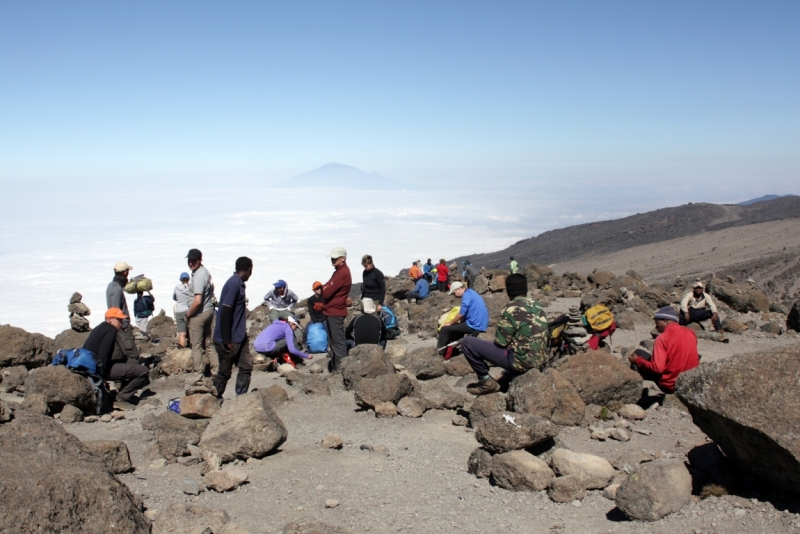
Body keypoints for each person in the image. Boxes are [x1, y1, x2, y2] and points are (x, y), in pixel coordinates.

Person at [461, 274, 549, 395]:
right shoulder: (538, 306)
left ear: (508, 291)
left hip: (520, 362)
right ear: (526, 289)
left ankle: (485, 381)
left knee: (467, 343)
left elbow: (500, 342)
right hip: (540, 360)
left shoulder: (510, 308)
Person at [83, 307, 150, 410]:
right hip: (97, 368)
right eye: (118, 319)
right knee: (143, 371)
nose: (120, 322)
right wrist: (101, 376)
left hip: (91, 365)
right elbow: (103, 354)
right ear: (109, 319)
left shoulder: (100, 327)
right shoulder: (111, 329)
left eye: (121, 320)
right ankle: (122, 397)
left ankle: (124, 392)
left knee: (134, 362)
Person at [629, 306, 700, 393]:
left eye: (657, 322)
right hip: (689, 382)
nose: (656, 326)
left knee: (638, 353)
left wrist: (638, 360)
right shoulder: (691, 332)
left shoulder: (662, 338)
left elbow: (658, 368)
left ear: (665, 321)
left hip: (670, 385)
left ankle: (635, 394)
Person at [211, 257, 254, 397]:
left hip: (239, 336)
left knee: (246, 366)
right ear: (249, 270)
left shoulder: (238, 283)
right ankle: (214, 398)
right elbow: (225, 312)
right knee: (224, 372)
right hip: (229, 339)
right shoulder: (234, 285)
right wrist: (227, 340)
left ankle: (240, 399)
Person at [184, 248, 217, 377]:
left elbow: (197, 301)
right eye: (189, 260)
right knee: (208, 343)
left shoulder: (198, 276)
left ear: (200, 260)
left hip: (199, 313)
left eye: (193, 261)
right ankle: (216, 369)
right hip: (208, 311)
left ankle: (198, 374)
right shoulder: (204, 272)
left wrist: (189, 314)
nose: (190, 263)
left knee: (196, 346)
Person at [437, 281, 489, 359]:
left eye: (454, 293)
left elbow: (461, 314)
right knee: (458, 327)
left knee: (445, 329)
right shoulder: (471, 292)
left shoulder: (466, 296)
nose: (454, 296)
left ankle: (440, 352)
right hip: (481, 323)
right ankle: (452, 349)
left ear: (459, 289)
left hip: (474, 325)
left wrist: (450, 323)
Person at [323, 246, 352, 372]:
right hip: (332, 311)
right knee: (334, 342)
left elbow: (326, 291)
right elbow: (326, 287)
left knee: (338, 342)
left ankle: (342, 371)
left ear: (343, 258)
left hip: (335, 312)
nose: (332, 260)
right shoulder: (338, 271)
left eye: (335, 258)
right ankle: (337, 369)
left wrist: (324, 289)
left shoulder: (342, 273)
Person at [106, 261, 139, 360]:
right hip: (121, 326)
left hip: (114, 325)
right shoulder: (117, 288)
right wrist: (124, 325)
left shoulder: (111, 285)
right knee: (132, 354)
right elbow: (116, 310)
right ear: (125, 272)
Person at [304, 281, 328, 346]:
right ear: (314, 290)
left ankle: (329, 345)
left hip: (323, 318)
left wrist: (322, 319)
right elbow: (311, 312)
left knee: (328, 329)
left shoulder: (325, 298)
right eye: (317, 288)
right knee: (306, 330)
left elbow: (326, 310)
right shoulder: (311, 299)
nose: (319, 289)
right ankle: (306, 345)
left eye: (320, 288)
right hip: (314, 318)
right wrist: (314, 320)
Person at [173, 272, 193, 348]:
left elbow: (174, 298)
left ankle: (182, 349)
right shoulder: (191, 287)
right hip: (190, 311)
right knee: (192, 331)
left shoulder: (177, 288)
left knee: (182, 333)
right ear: (188, 279)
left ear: (180, 279)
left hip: (180, 311)